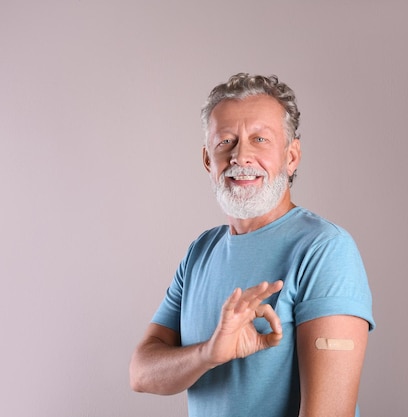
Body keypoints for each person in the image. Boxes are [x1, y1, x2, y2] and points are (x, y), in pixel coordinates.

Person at [129, 73, 375, 417]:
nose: (240, 156)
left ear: (291, 157)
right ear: (207, 161)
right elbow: (141, 373)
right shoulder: (201, 252)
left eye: (260, 139)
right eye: (225, 142)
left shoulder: (325, 251)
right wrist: (209, 353)